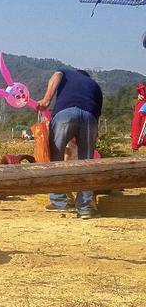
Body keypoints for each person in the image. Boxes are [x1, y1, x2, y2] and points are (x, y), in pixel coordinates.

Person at [37, 68, 103, 219]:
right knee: (87, 162)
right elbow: (96, 115)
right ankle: (85, 208)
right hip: (89, 117)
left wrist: (46, 100)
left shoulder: (66, 72)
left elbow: (57, 75)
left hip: (65, 114)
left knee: (56, 159)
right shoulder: (95, 85)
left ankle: (59, 202)